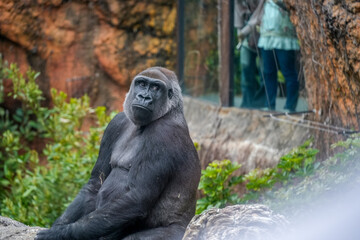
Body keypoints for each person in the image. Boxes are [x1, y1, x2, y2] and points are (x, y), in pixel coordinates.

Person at [258, 0, 300, 112]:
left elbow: (294, 6)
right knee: (268, 72)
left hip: (284, 36)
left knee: (288, 72)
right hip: (267, 36)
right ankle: (269, 104)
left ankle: (290, 106)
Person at [234, 0, 266, 109]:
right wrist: (240, 34)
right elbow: (238, 16)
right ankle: (247, 102)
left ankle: (261, 103)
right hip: (246, 39)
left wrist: (243, 32)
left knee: (264, 72)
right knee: (246, 69)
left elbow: (259, 16)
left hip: (264, 37)